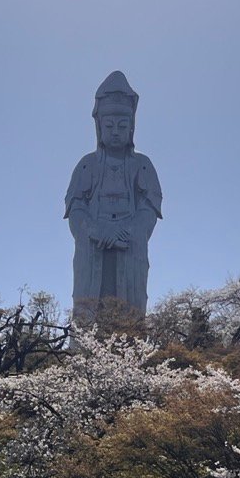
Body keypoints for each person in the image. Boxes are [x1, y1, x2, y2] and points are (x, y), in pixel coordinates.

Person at [64, 72, 162, 323]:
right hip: (93, 244)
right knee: (89, 310)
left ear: (132, 127)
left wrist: (127, 231)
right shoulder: (87, 165)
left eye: (122, 125)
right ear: (99, 127)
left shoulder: (142, 164)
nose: (116, 132)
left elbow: (150, 207)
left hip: (129, 245)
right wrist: (94, 230)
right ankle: (84, 354)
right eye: (109, 126)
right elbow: (75, 206)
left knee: (129, 312)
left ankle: (131, 350)